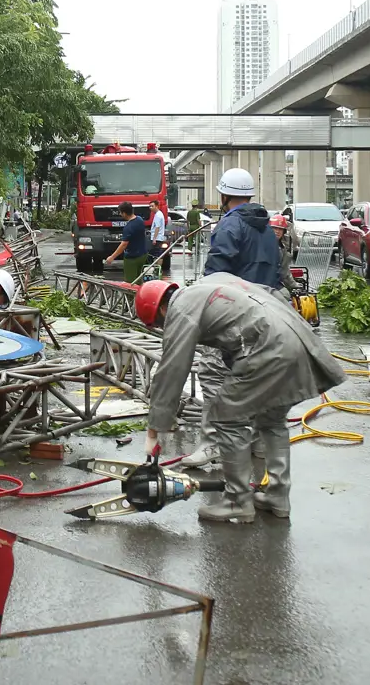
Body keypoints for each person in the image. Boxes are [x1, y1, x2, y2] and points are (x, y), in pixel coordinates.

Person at [139, 274, 344, 522]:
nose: (164, 328)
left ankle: (237, 501)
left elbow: (172, 368)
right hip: (296, 337)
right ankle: (278, 496)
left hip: (268, 346)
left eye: (159, 324)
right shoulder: (213, 284)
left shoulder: (180, 308)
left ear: (162, 308)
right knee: (272, 419)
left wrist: (154, 430)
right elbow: (273, 291)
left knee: (226, 417)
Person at [204, 169, 280, 287]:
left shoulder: (228, 226)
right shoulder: (267, 226)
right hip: (267, 299)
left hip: (238, 300)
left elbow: (216, 273)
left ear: (224, 197)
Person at [104, 202, 149, 282]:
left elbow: (124, 244)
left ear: (124, 213)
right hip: (143, 255)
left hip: (132, 257)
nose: (121, 214)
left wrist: (112, 257)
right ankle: (139, 294)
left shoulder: (128, 227)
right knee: (139, 279)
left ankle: (131, 295)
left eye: (121, 213)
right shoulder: (140, 220)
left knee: (130, 282)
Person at [149, 206, 170, 277]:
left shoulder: (158, 215)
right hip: (159, 237)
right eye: (149, 206)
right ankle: (158, 270)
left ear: (156, 206)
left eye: (152, 206)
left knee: (158, 255)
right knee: (158, 254)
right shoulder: (159, 214)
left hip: (157, 238)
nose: (150, 207)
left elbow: (157, 227)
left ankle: (157, 270)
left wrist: (154, 238)